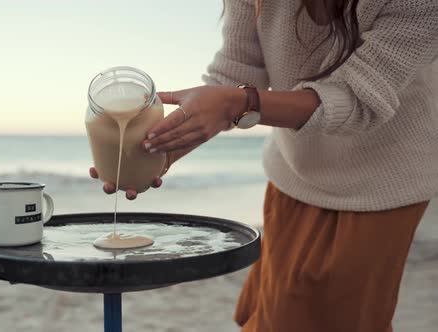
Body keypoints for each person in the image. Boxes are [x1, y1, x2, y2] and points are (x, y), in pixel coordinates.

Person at [89, 0, 438, 330]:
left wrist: (240, 102)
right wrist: (158, 155)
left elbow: (357, 98)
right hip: (293, 175)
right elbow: (236, 73)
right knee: (272, 312)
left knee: (338, 319)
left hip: (383, 184)